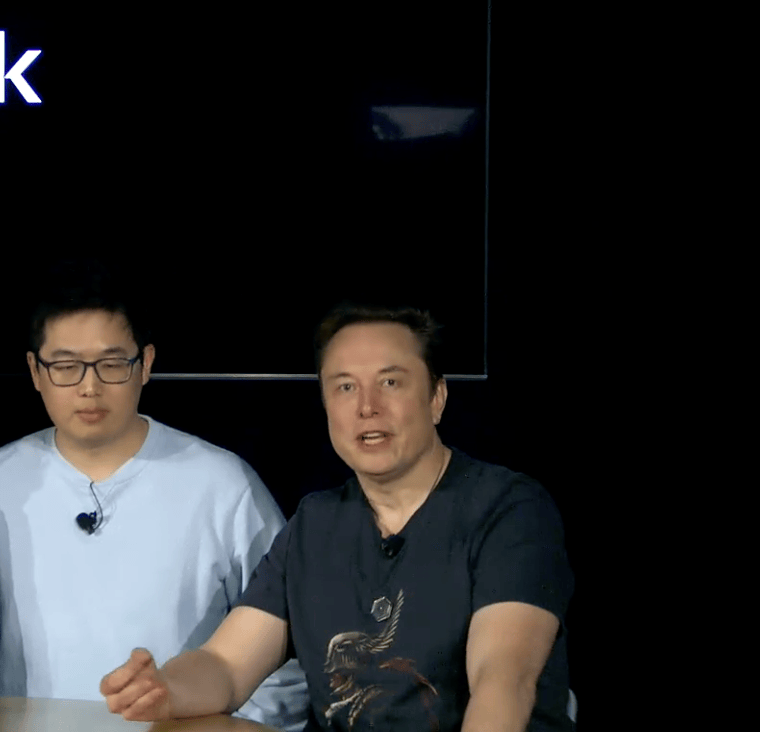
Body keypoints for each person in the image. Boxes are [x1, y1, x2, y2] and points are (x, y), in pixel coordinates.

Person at [101, 305, 574, 731]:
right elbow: (225, 666)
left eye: (390, 382)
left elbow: (504, 682)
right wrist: (164, 689)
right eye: (345, 387)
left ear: (437, 397)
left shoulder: (509, 509)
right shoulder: (316, 523)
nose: (367, 407)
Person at [0, 273, 309, 730]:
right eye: (66, 366)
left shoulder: (223, 485)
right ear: (35, 371)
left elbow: (287, 646)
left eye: (111, 364)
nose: (89, 387)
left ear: (146, 363)